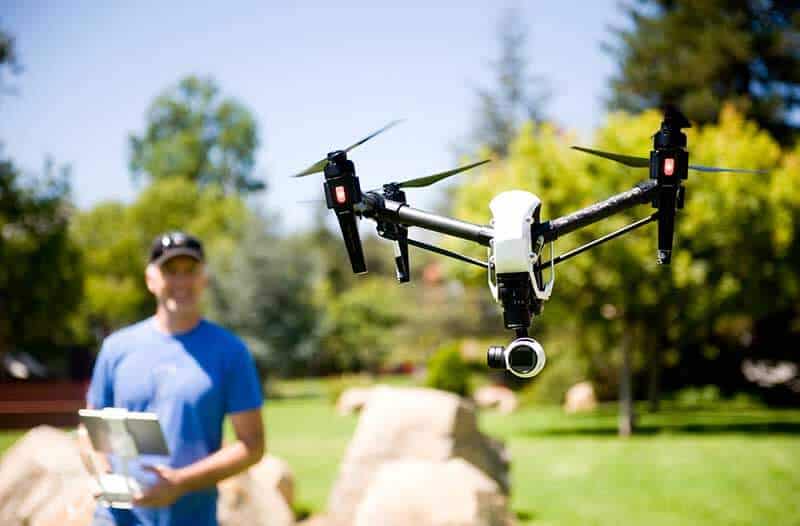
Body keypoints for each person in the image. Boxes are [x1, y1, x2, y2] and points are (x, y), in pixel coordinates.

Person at [79, 231, 265, 526]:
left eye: (190, 271)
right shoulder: (117, 348)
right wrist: (105, 476)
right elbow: (90, 431)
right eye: (169, 271)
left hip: (193, 518)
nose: (180, 282)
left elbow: (252, 445)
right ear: (151, 279)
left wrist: (180, 482)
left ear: (204, 278)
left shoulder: (230, 352)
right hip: (115, 519)